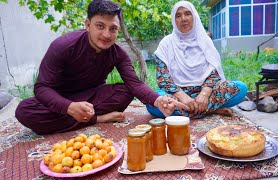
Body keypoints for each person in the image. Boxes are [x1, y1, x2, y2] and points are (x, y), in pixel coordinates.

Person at [15, 0, 188, 135]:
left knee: (126, 91)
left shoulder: (118, 54)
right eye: (100, 26)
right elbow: (42, 88)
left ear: (118, 30)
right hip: (60, 98)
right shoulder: (63, 46)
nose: (106, 34)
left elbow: (134, 84)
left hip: (91, 97)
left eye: (113, 29)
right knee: (24, 111)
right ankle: (97, 119)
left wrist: (158, 100)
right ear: (87, 24)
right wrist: (69, 107)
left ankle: (80, 119)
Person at [146, 1, 248, 119]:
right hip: (176, 94)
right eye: (178, 16)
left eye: (187, 14)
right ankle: (209, 110)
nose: (183, 19)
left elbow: (214, 72)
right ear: (174, 20)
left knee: (241, 87)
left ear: (194, 16)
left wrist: (204, 94)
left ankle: (191, 111)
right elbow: (163, 79)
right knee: (153, 102)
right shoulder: (166, 43)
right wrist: (182, 96)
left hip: (205, 93)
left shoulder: (205, 40)